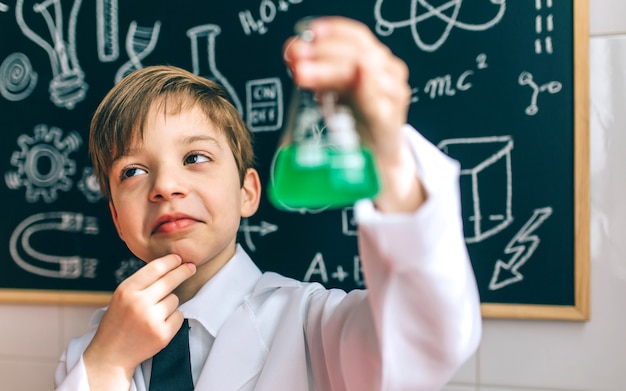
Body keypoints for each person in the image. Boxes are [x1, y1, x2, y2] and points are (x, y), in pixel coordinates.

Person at [55, 16, 481, 391]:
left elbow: (429, 340)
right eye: (132, 171)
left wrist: (387, 151)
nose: (166, 186)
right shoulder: (91, 353)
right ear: (116, 217)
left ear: (248, 192)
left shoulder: (314, 325)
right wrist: (108, 364)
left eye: (195, 158)